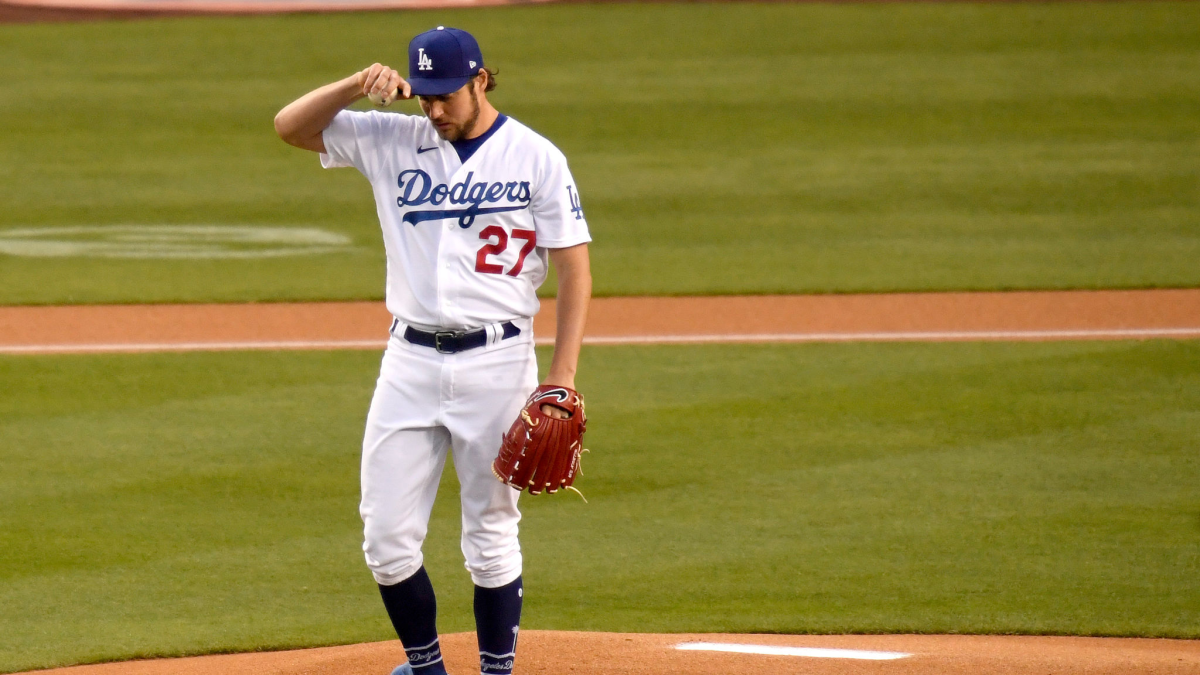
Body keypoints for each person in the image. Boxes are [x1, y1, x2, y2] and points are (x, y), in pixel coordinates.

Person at [273, 25, 592, 675]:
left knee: (491, 536)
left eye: (447, 95)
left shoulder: (536, 157)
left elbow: (575, 269)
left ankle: (496, 670)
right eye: (424, 96)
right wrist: (355, 84)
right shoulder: (393, 138)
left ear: (481, 80)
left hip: (499, 363)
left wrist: (560, 378)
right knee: (385, 538)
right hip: (409, 362)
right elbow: (290, 126)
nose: (435, 109)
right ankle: (427, 669)